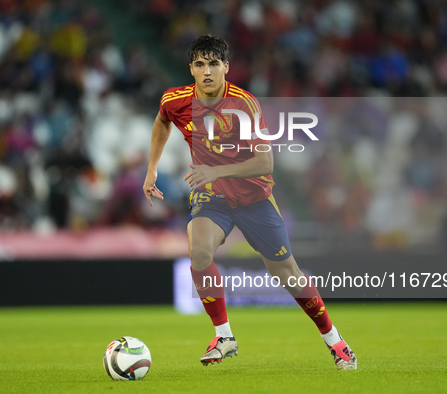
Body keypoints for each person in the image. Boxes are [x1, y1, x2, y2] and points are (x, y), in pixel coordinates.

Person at [143, 34, 357, 370]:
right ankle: (224, 335)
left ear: (226, 67)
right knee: (199, 252)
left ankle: (335, 340)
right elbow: (162, 122)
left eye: (214, 64)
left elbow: (265, 162)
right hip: (212, 197)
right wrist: (152, 169)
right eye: (200, 65)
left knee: (289, 274)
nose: (207, 71)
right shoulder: (175, 100)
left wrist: (217, 171)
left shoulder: (244, 104)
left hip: (255, 199)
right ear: (192, 69)